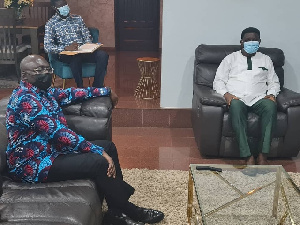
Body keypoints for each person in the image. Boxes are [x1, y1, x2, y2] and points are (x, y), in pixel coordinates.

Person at [5, 55, 164, 225]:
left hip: (52, 152)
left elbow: (71, 93)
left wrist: (106, 90)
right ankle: (129, 209)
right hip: (33, 164)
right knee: (99, 162)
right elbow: (59, 133)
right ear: (24, 76)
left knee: (108, 147)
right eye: (38, 70)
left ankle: (116, 212)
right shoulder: (25, 99)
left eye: (47, 69)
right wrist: (97, 151)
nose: (45, 73)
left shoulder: (44, 92)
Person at [213, 27, 280, 165]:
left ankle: (263, 155)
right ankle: (247, 155)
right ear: (241, 42)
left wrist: (272, 94)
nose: (251, 42)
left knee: (270, 106)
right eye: (247, 40)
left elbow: (274, 81)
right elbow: (218, 81)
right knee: (236, 107)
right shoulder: (230, 59)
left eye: (254, 40)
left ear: (259, 41)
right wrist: (227, 95)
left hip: (259, 98)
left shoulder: (266, 59)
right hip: (237, 97)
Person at [44, 0, 108, 88]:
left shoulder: (78, 19)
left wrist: (88, 45)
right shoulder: (51, 24)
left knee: (103, 55)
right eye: (61, 6)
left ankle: (97, 86)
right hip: (67, 54)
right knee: (75, 58)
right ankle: (80, 87)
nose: (64, 7)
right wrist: (65, 48)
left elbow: (87, 35)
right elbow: (47, 47)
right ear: (55, 8)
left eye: (65, 4)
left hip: (83, 51)